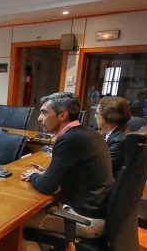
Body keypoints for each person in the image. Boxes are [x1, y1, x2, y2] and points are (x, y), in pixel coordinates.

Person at [21, 92, 113, 243]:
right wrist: (48, 173)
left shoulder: (70, 139)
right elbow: (78, 173)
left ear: (62, 115)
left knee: (20, 225)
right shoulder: (88, 133)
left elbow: (47, 187)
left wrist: (33, 175)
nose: (39, 118)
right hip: (96, 212)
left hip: (85, 220)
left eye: (44, 112)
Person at [96, 96, 132, 178]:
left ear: (108, 116)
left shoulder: (119, 140)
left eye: (97, 113)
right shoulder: (111, 132)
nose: (95, 116)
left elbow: (102, 168)